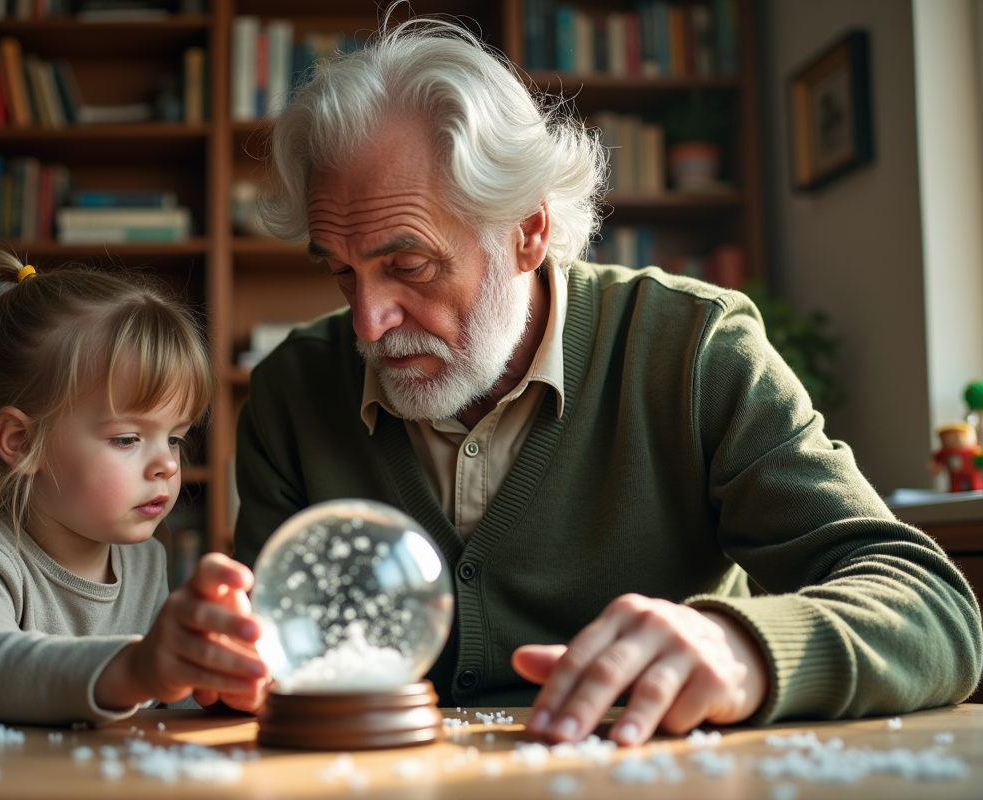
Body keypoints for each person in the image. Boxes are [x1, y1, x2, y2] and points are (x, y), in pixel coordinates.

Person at [188, 16, 983, 745]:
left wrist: (742, 648)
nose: (367, 323)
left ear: (527, 232)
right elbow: (262, 675)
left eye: (410, 265)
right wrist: (220, 660)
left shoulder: (693, 350)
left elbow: (935, 610)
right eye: (340, 271)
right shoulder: (292, 391)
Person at [0, 250, 268, 724]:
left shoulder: (145, 561)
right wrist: (135, 667)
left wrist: (223, 686)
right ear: (22, 442)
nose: (167, 465)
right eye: (127, 439)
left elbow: (166, 706)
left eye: (174, 438)